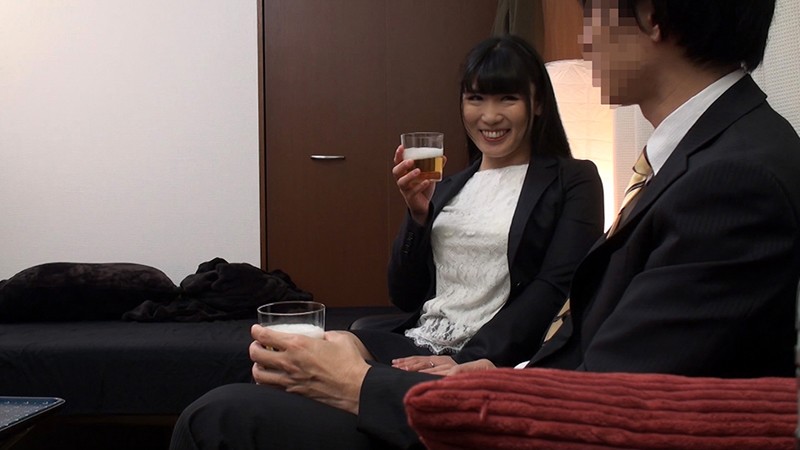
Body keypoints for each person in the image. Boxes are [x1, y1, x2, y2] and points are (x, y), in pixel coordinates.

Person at [170, 1, 800, 449]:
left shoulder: (730, 180)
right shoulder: (704, 157)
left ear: (650, 15)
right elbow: (409, 292)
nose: (585, 40)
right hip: (500, 375)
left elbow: (606, 400)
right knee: (269, 374)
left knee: (221, 417)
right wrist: (421, 225)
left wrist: (371, 385)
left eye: (591, 13)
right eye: (476, 98)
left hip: (532, 414)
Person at [349, 35, 604, 372]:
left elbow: (557, 288)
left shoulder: (573, 180)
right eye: (476, 98)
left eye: (508, 98)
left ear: (538, 103)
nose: (490, 116)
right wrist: (418, 216)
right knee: (317, 345)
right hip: (419, 341)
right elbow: (404, 296)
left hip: (489, 357)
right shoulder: (447, 186)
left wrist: (466, 361)